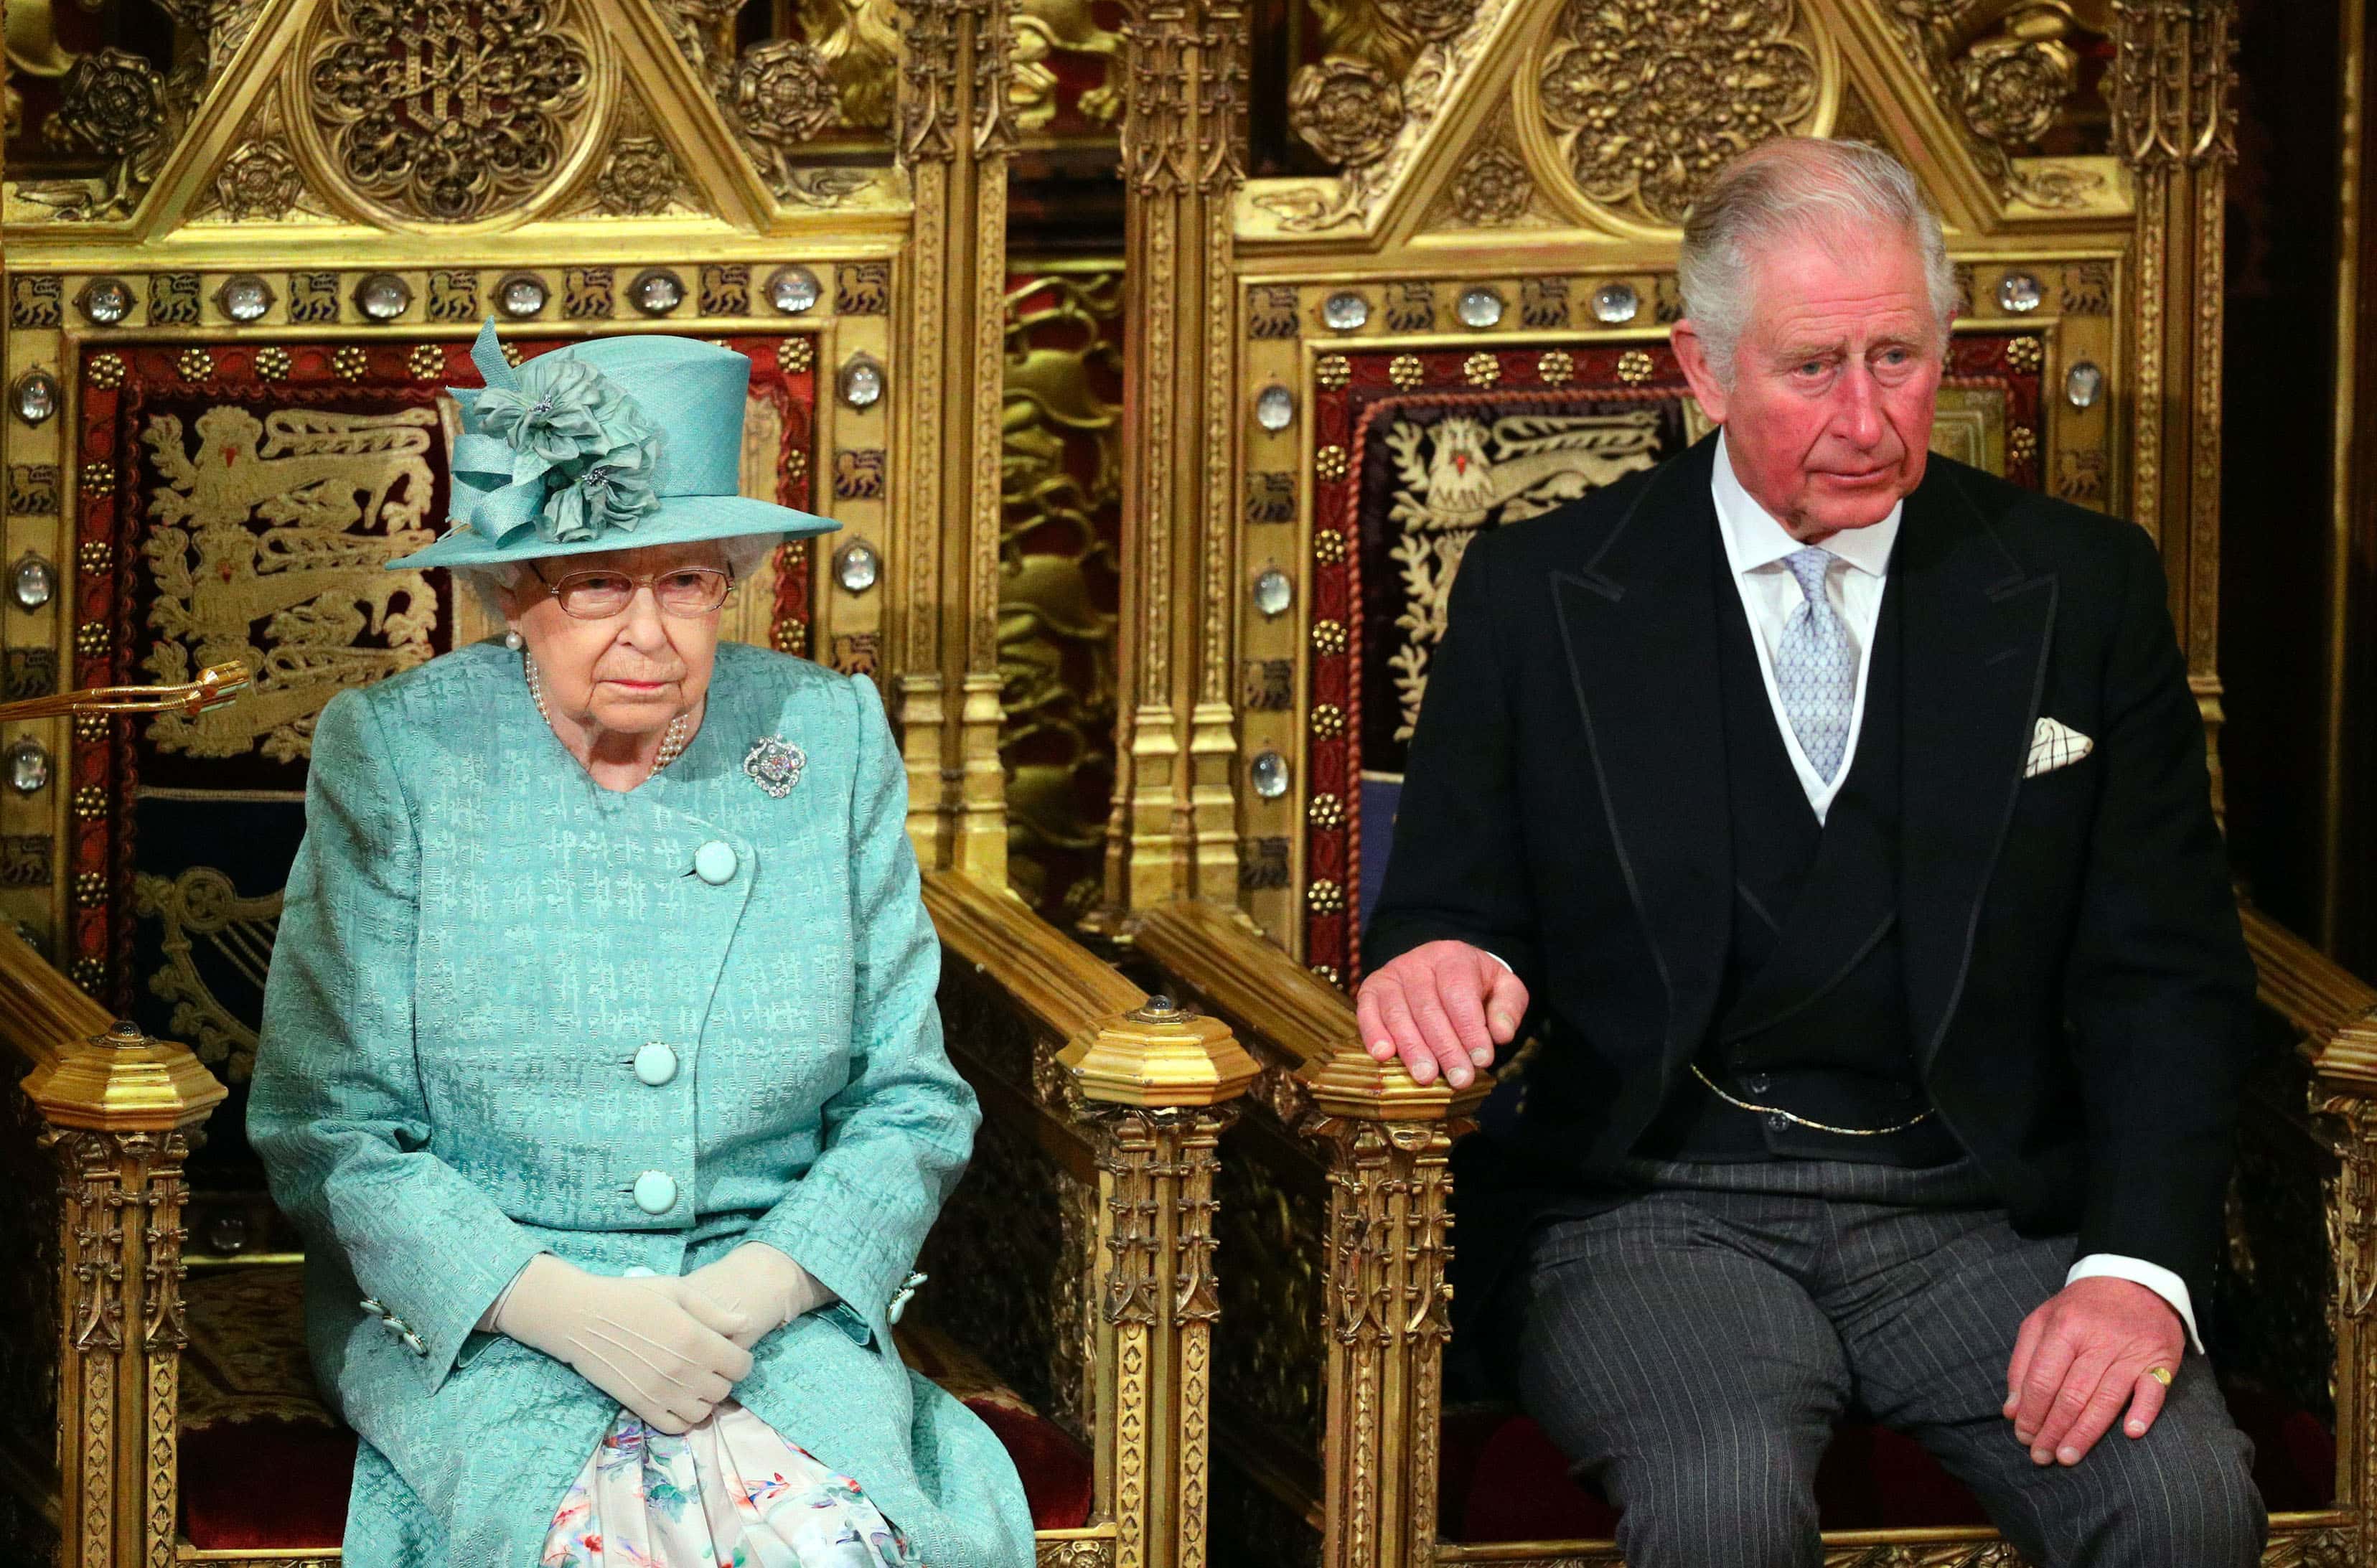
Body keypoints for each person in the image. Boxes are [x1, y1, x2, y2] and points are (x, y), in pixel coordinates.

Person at [1357, 139, 2265, 1566]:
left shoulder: (2079, 590)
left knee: (2182, 1499)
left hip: (1974, 1208)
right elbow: (1447, 902)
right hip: (1652, 1212)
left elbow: (2171, 972)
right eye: (1813, 367)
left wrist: (2136, 1269)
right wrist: (1439, 959)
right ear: (1704, 369)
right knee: (1722, 1507)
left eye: (1898, 357)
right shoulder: (1546, 590)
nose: (1867, 416)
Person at [248, 324, 1033, 1567]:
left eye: (689, 581)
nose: (651, 633)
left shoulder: (823, 737)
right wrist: (565, 1310)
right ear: (514, 591)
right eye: (600, 582)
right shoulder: (401, 754)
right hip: (487, 1320)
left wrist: (754, 1292)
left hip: (772, 1320)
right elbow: (326, 1124)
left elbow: (911, 1102)